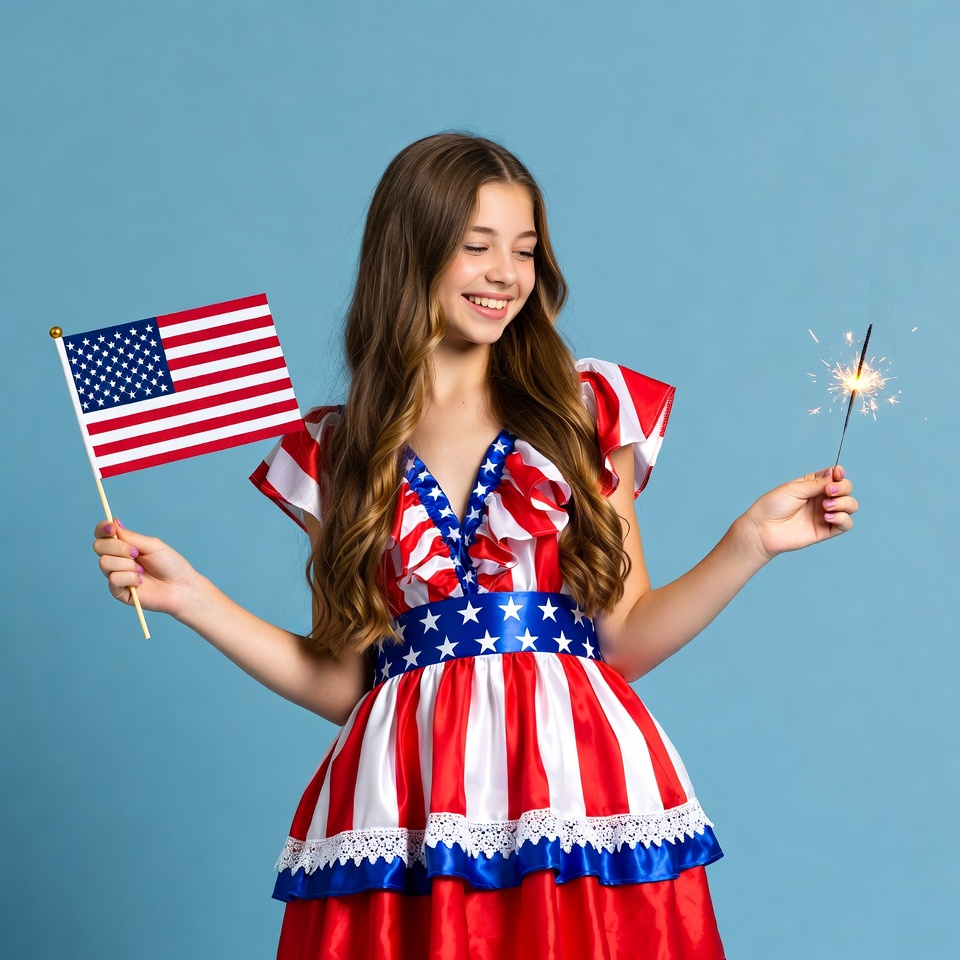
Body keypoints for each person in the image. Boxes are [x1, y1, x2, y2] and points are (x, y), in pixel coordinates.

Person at [92, 133, 857, 960]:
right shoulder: (341, 453)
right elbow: (346, 682)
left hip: (574, 786)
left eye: (524, 251)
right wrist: (193, 598)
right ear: (410, 252)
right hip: (405, 804)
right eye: (477, 246)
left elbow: (625, 638)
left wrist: (750, 543)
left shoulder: (579, 412)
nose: (506, 274)